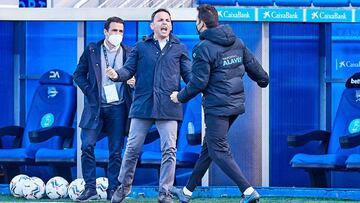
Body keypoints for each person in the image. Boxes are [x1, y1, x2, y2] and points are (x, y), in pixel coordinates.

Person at [169, 4, 269, 203]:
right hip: (235, 104)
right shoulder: (237, 42)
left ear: (202, 23)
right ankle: (187, 192)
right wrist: (263, 79)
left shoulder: (202, 49)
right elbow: (253, 66)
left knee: (218, 149)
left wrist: (179, 97)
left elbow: (198, 82)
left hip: (217, 107)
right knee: (210, 147)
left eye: (196, 21)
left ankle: (248, 191)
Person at [106, 8, 192, 203]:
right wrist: (117, 75)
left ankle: (165, 192)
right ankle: (123, 186)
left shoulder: (179, 48)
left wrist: (199, 87)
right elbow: (128, 70)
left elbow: (189, 76)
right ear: (152, 25)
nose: (165, 23)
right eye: (160, 20)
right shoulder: (140, 46)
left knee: (169, 150)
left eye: (168, 20)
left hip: (168, 106)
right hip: (143, 105)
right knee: (132, 149)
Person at [73, 16, 134, 202]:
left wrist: (133, 82)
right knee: (87, 146)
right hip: (96, 107)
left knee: (116, 151)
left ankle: (113, 190)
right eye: (114, 30)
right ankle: (90, 188)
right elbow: (78, 74)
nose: (117, 34)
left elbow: (136, 77)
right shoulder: (92, 50)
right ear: (105, 32)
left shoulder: (129, 53)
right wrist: (90, 91)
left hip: (118, 108)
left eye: (121, 31)